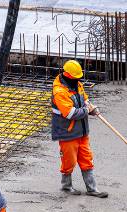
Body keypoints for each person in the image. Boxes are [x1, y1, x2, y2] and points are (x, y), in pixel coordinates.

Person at [51, 59, 108, 198]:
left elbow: (85, 100)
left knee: (87, 159)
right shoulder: (59, 92)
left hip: (82, 131)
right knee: (68, 161)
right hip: (67, 132)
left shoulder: (77, 85)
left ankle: (92, 189)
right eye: (76, 78)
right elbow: (70, 113)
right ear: (68, 75)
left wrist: (92, 107)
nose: (78, 80)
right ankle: (66, 186)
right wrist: (86, 111)